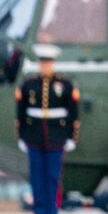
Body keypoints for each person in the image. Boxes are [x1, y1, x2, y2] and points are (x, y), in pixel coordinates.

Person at [15, 44, 80, 214]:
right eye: (42, 63)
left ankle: (51, 210)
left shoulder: (65, 85)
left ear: (53, 64)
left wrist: (72, 137)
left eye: (48, 63)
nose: (45, 66)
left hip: (56, 136)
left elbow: (73, 113)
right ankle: (39, 209)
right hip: (34, 136)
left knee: (52, 176)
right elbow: (21, 112)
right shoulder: (29, 85)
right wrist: (21, 136)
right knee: (37, 176)